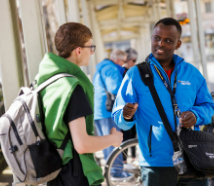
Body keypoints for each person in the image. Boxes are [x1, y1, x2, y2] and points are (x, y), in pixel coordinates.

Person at [112, 17, 214, 186]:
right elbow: (121, 122)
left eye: (168, 40)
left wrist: (196, 115)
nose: (160, 44)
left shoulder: (191, 73)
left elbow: (209, 106)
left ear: (178, 44)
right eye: (157, 38)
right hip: (156, 165)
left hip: (193, 158)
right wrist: (126, 115)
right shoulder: (135, 75)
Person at [35, 22, 123, 186]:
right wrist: (113, 139)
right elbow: (82, 145)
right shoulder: (72, 87)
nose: (91, 52)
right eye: (91, 47)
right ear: (78, 50)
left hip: (51, 170)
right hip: (73, 174)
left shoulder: (45, 81)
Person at [93, 49, 130, 178]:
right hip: (108, 110)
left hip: (99, 111)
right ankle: (116, 172)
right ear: (118, 60)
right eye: (124, 61)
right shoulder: (112, 69)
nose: (124, 64)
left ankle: (113, 170)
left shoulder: (101, 68)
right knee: (114, 141)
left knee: (106, 142)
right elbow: (114, 87)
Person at [121, 48, 138, 164]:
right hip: (126, 108)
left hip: (131, 108)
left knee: (131, 134)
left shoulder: (123, 71)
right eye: (134, 60)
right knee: (127, 135)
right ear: (129, 60)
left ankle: (131, 158)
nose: (135, 63)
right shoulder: (125, 72)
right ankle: (125, 161)